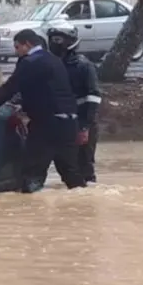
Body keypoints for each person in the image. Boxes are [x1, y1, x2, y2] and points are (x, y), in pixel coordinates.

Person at [0, 29, 86, 193]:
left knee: (32, 175)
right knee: (72, 175)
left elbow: (9, 88)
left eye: (17, 47)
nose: (16, 52)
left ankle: (30, 211)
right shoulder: (55, 61)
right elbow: (50, 90)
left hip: (46, 126)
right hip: (69, 124)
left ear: (27, 45)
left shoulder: (29, 62)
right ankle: (85, 207)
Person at [47, 23, 101, 183]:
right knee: (66, 165)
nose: (54, 43)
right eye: (51, 39)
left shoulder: (83, 66)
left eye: (58, 39)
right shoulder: (52, 65)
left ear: (70, 41)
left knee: (84, 165)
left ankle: (87, 199)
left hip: (81, 122)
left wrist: (85, 127)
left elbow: (94, 97)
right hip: (60, 122)